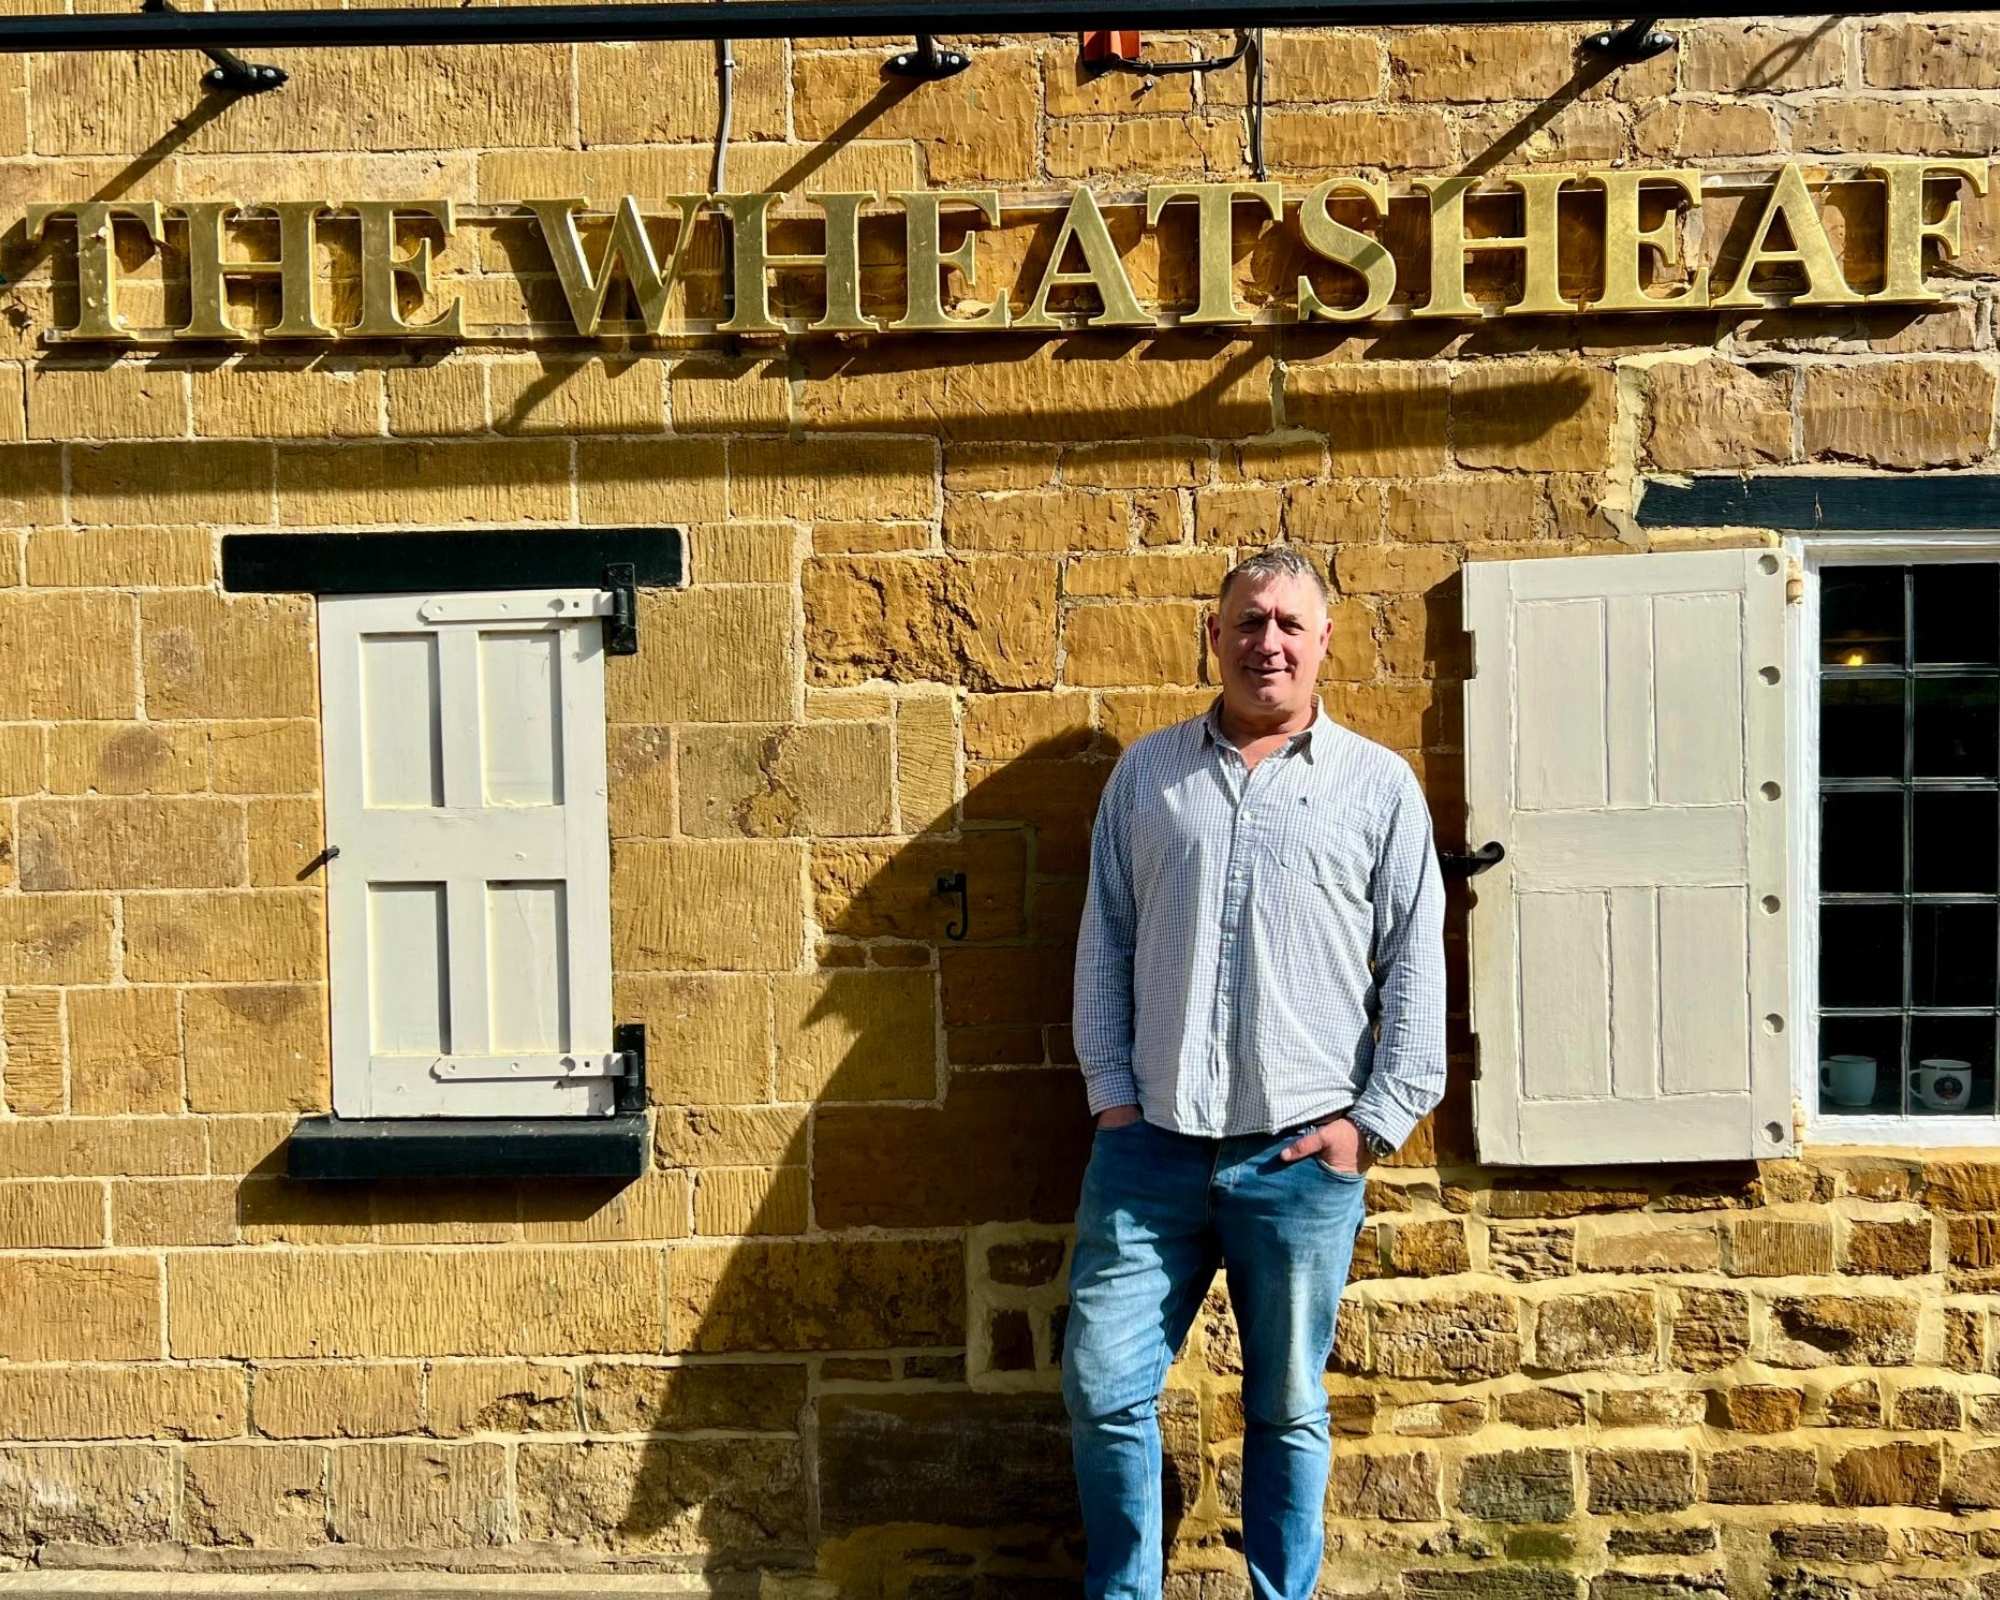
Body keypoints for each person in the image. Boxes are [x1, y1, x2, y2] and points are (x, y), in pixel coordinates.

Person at [1062, 544, 1447, 1600]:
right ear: (1213, 637)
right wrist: (1111, 1097)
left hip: (1297, 1155)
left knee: (1284, 1404)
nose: (1264, 641)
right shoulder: (1147, 774)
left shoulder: (1375, 787)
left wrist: (1368, 1128)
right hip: (1148, 1153)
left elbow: (1414, 959)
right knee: (1102, 1387)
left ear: (1322, 641)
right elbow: (1107, 936)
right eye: (1245, 621)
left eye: (1286, 623)